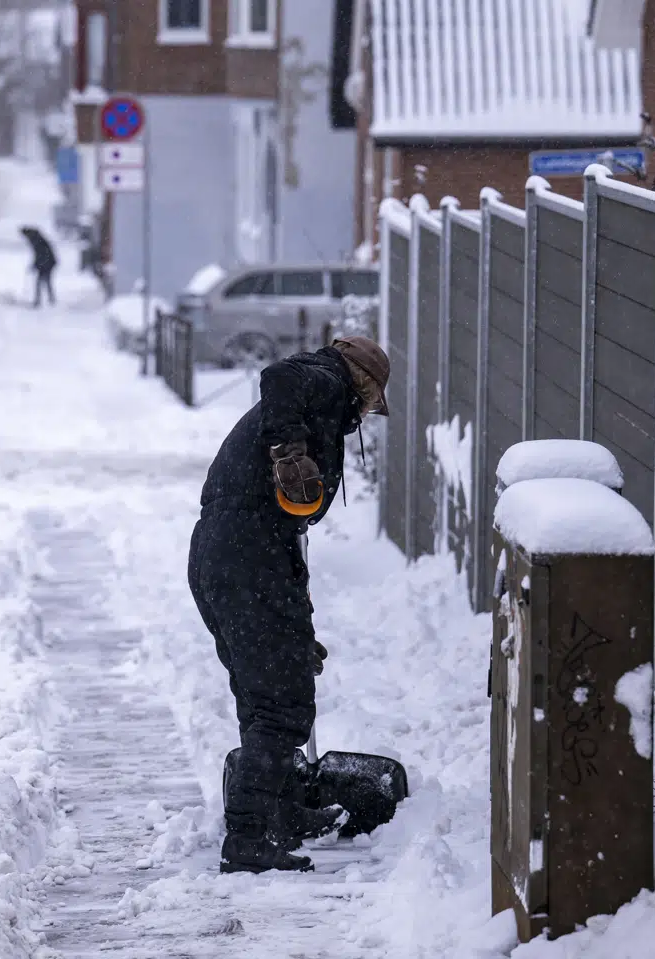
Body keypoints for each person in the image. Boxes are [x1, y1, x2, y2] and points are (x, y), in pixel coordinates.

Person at [187, 336, 390, 874]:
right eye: (371, 404)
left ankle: (279, 811)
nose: (365, 414)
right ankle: (250, 842)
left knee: (265, 696)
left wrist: (297, 631)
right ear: (364, 387)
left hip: (229, 553)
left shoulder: (316, 400)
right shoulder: (324, 381)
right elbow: (280, 373)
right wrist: (290, 453)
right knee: (281, 705)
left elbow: (285, 534)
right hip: (246, 554)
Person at [19, 226, 57, 307]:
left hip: (47, 262)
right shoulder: (37, 237)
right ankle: (50, 299)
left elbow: (40, 254)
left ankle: (38, 301)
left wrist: (36, 264)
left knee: (40, 281)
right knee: (46, 281)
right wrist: (35, 264)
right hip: (48, 262)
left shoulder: (35, 239)